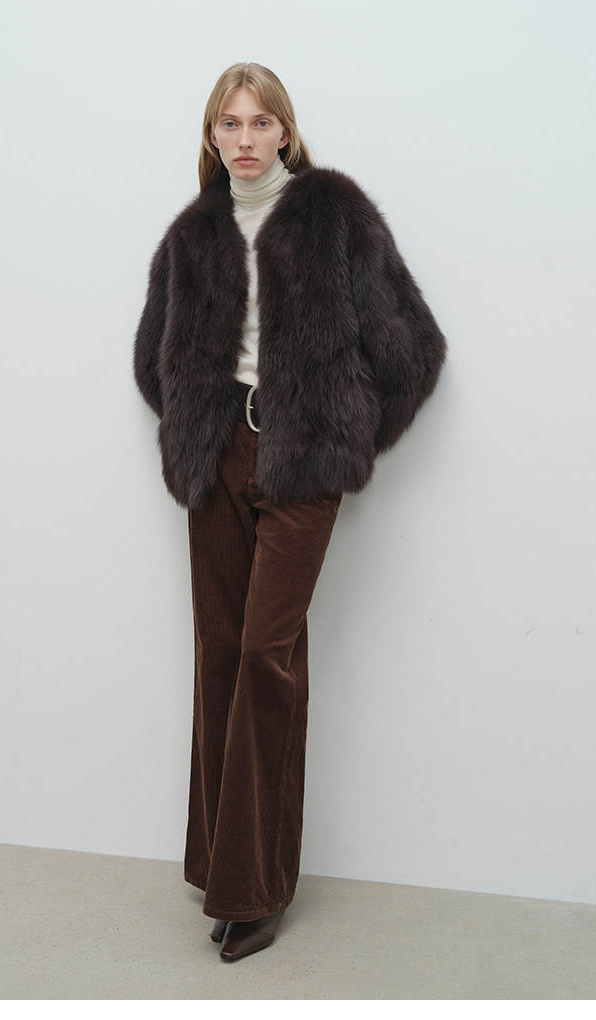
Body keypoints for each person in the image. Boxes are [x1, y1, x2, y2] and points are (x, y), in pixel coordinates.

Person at [134, 62, 446, 962]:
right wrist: (200, 423)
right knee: (220, 653)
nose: (244, 139)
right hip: (219, 457)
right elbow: (154, 360)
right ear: (212, 135)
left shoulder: (333, 215)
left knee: (266, 654)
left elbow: (415, 351)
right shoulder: (192, 236)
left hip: (304, 458)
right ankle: (221, 873)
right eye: (229, 123)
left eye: (260, 122)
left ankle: (257, 889)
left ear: (285, 132)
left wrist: (341, 434)